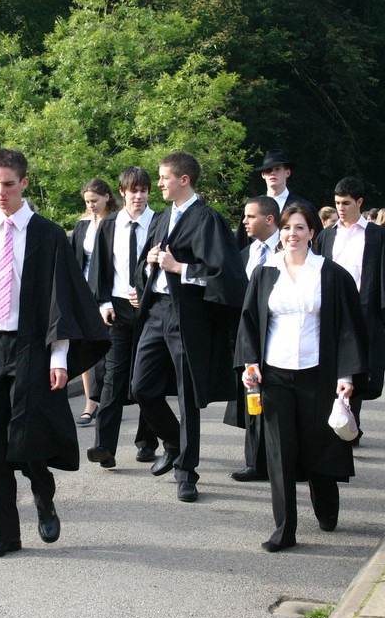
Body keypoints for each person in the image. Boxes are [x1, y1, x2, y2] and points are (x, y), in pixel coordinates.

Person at [0, 148, 109, 558]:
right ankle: (5, 534)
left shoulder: (47, 235)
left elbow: (60, 299)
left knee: (26, 438)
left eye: (8, 184)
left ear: (24, 183)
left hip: (31, 345)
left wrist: (59, 358)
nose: (0, 192)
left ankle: (43, 495)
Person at [236, 202, 369, 551]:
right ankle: (284, 529)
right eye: (286, 228)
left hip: (319, 374)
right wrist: (251, 364)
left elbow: (349, 329)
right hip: (275, 375)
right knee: (280, 452)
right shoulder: (265, 272)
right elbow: (249, 323)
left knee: (319, 446)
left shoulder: (331, 273)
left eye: (299, 228)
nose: (291, 234)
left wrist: (347, 373)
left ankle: (326, 506)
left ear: (312, 232)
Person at [132, 151, 247, 502]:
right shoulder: (162, 218)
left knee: (187, 397)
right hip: (157, 312)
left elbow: (227, 276)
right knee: (141, 387)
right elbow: (147, 266)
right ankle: (174, 443)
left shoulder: (208, 219)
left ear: (184, 180)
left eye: (165, 177)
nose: (160, 183)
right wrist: (150, 265)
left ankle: (187, 472)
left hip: (189, 318)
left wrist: (179, 267)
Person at [85, 167, 160, 467]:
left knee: (147, 377)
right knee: (113, 378)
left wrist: (148, 292)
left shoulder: (160, 222)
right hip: (116, 308)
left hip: (151, 309)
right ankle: (104, 446)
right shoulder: (109, 225)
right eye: (133, 190)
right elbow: (99, 269)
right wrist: (103, 302)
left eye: (143, 190)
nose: (138, 196)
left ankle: (146, 442)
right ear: (122, 192)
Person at [316, 176, 385, 444]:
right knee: (330, 364)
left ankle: (352, 424)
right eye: (337, 202)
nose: (341, 208)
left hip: (364, 309)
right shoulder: (327, 235)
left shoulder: (379, 236)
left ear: (360, 202)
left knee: (359, 368)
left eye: (346, 203)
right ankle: (330, 421)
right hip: (329, 308)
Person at [227, 195, 280, 482]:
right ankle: (254, 462)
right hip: (247, 339)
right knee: (252, 397)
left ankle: (280, 460)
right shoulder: (244, 255)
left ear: (269, 219)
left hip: (277, 337)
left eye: (250, 216)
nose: (244, 222)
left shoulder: (286, 251)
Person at [70, 178, 119, 426]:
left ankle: (111, 397)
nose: (91, 205)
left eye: (95, 201)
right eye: (87, 201)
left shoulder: (117, 223)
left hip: (110, 293)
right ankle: (90, 402)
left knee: (110, 348)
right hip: (84, 293)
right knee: (85, 345)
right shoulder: (82, 226)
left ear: (107, 197)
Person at [236, 149, 315, 249]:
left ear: (287, 172)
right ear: (263, 175)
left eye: (277, 169)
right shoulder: (253, 207)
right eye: (268, 170)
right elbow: (241, 242)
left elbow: (317, 241)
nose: (273, 173)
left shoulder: (303, 207)